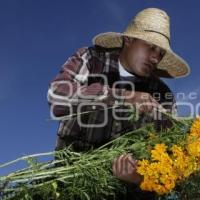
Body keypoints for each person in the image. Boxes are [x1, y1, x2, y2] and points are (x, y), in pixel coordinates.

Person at [47, 7, 190, 199]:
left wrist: (140, 178)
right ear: (129, 39)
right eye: (151, 47)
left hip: (126, 193)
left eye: (161, 53)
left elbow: (172, 159)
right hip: (71, 181)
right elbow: (56, 96)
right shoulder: (91, 60)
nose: (156, 58)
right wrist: (123, 97)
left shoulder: (162, 94)